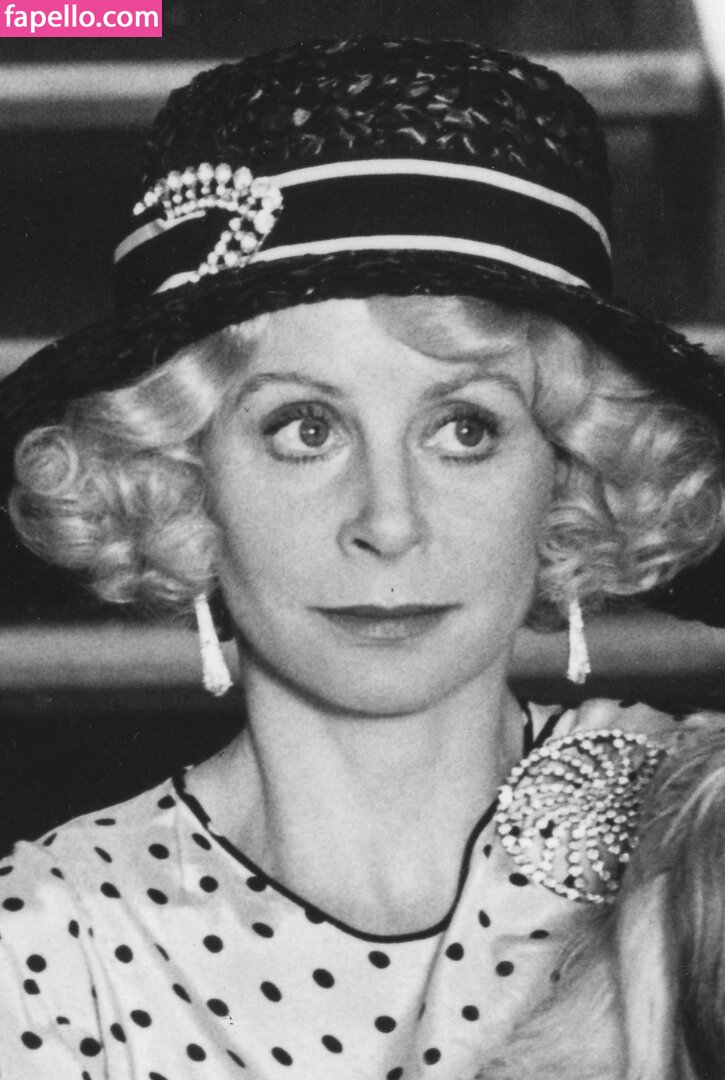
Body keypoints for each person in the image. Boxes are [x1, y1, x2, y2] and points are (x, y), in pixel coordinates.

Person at [0, 36, 724, 1079]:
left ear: (567, 471)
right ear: (181, 481)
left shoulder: (694, 840)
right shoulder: (48, 948)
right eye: (304, 429)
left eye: (464, 429)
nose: (388, 521)